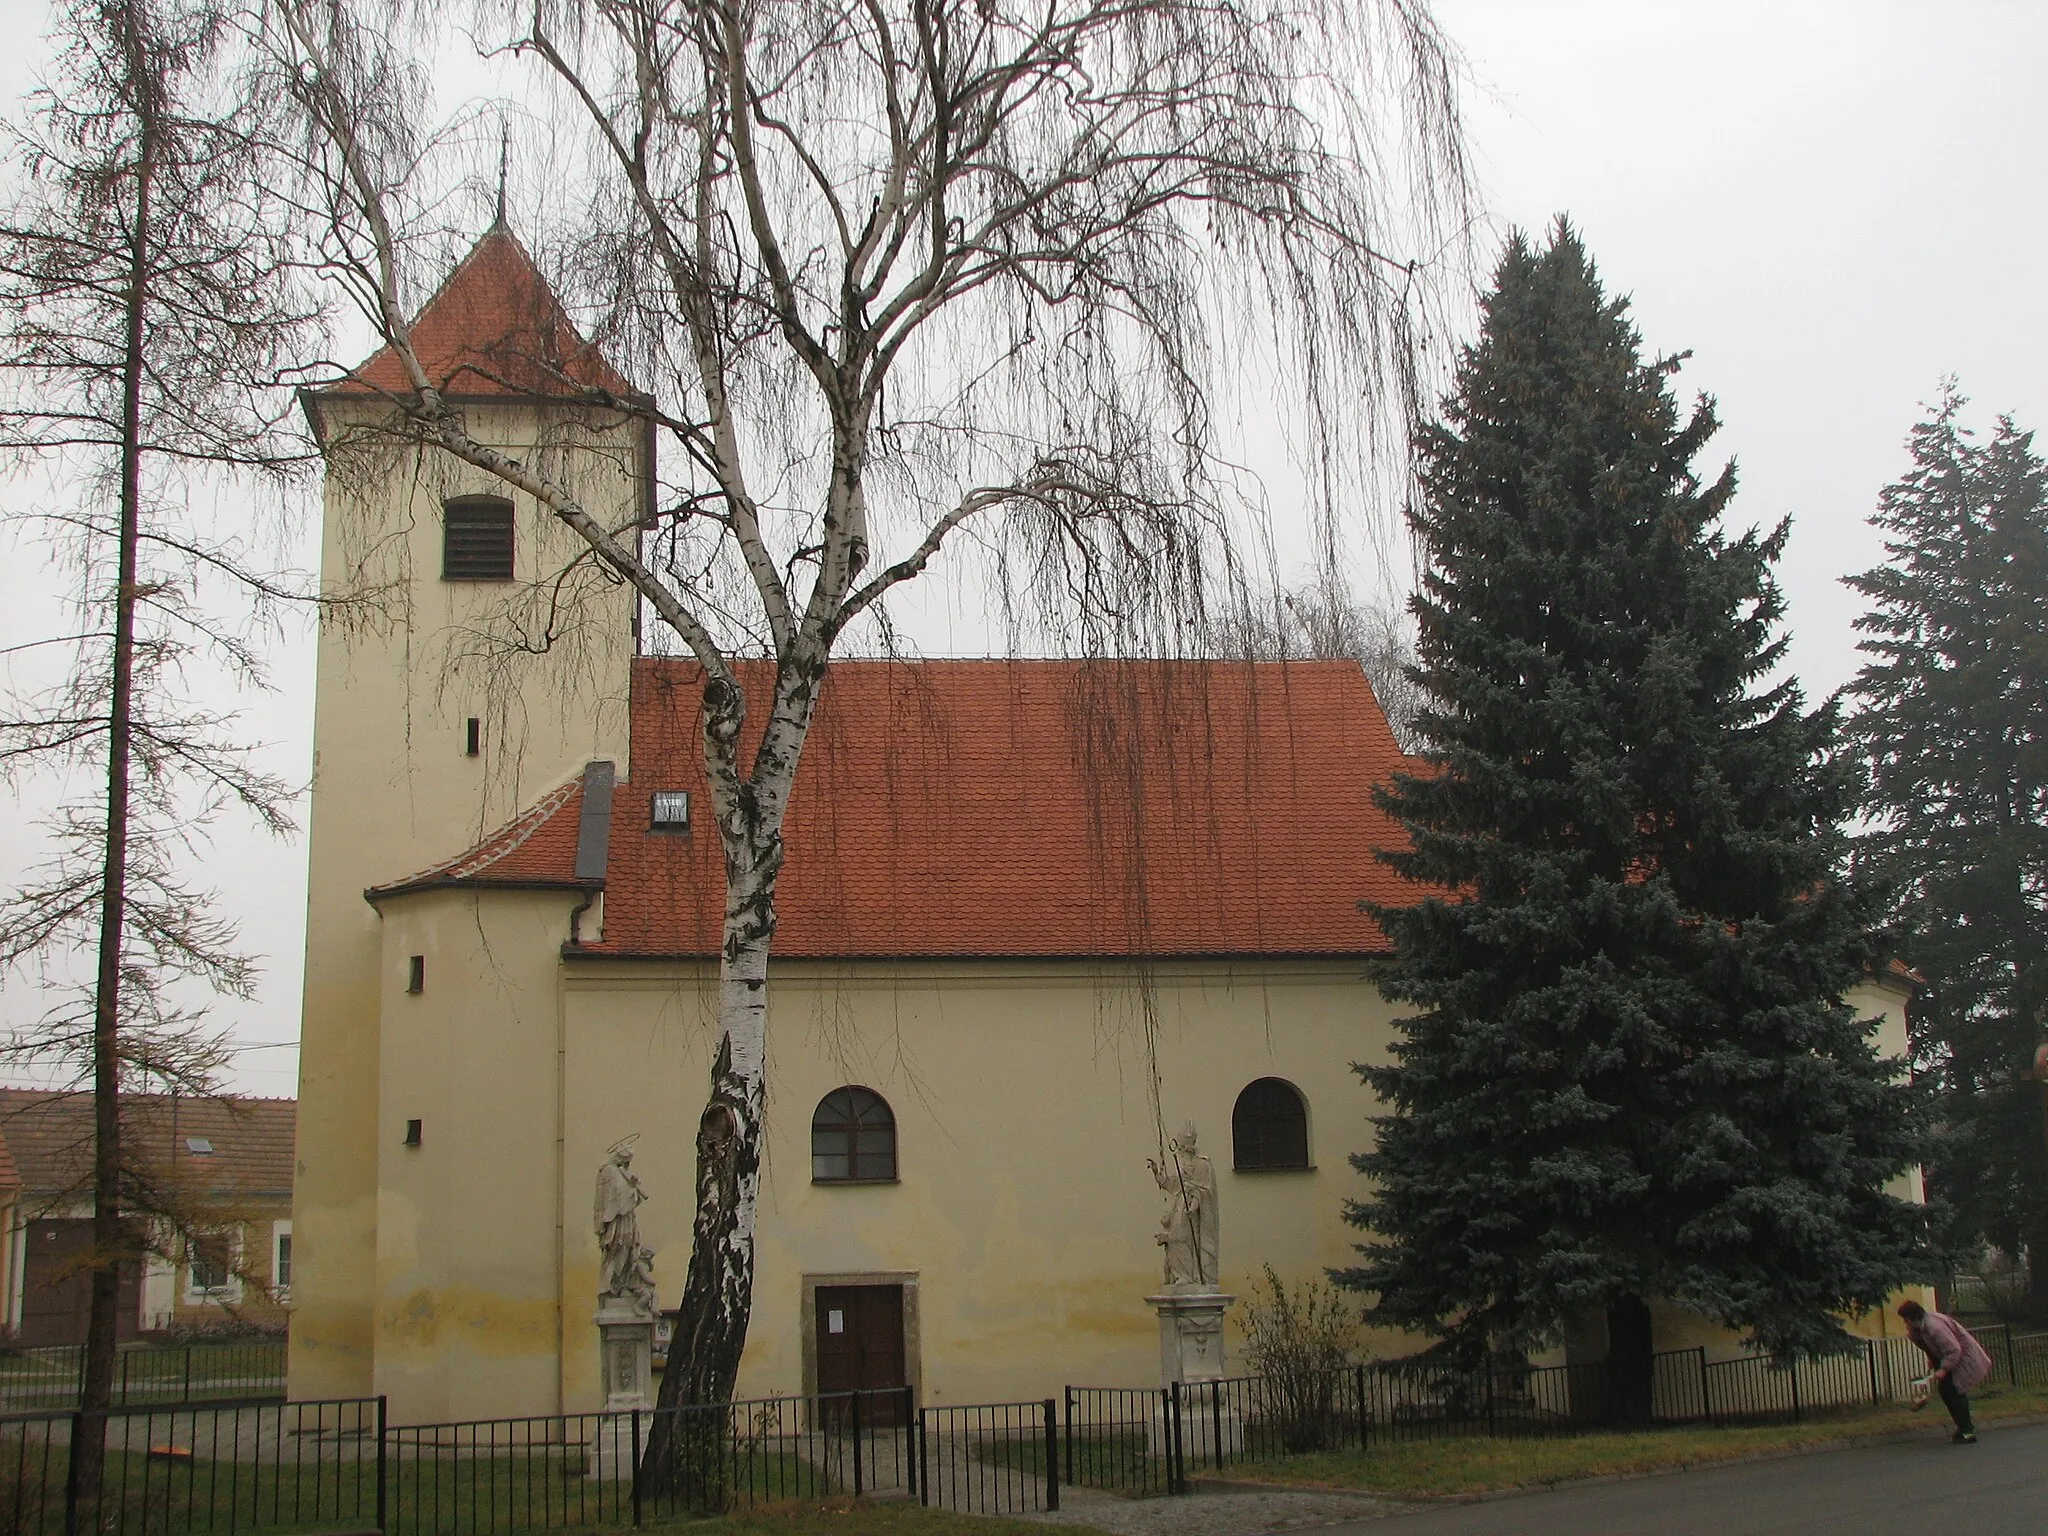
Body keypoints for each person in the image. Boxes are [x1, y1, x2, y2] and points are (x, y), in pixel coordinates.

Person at [1898, 1297, 1992, 1443]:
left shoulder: (1935, 1328)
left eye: (1905, 1320)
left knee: (1954, 1392)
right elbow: (1930, 1345)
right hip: (1953, 1359)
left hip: (1961, 1359)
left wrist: (1944, 1369)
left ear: (1911, 1318)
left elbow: (1954, 1350)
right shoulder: (1923, 1326)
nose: (1905, 1323)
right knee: (1948, 1391)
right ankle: (1963, 1428)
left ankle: (1966, 1431)